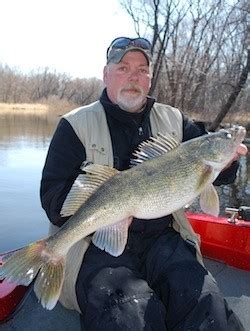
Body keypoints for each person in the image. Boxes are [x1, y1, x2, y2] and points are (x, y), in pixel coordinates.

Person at [40, 37, 247, 330]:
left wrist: (228, 164)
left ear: (150, 79)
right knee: (125, 314)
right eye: (123, 68)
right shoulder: (74, 125)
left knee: (206, 304)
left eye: (141, 70)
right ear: (106, 74)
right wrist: (108, 209)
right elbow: (52, 199)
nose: (133, 77)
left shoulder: (175, 120)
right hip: (94, 247)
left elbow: (217, 176)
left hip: (164, 237)